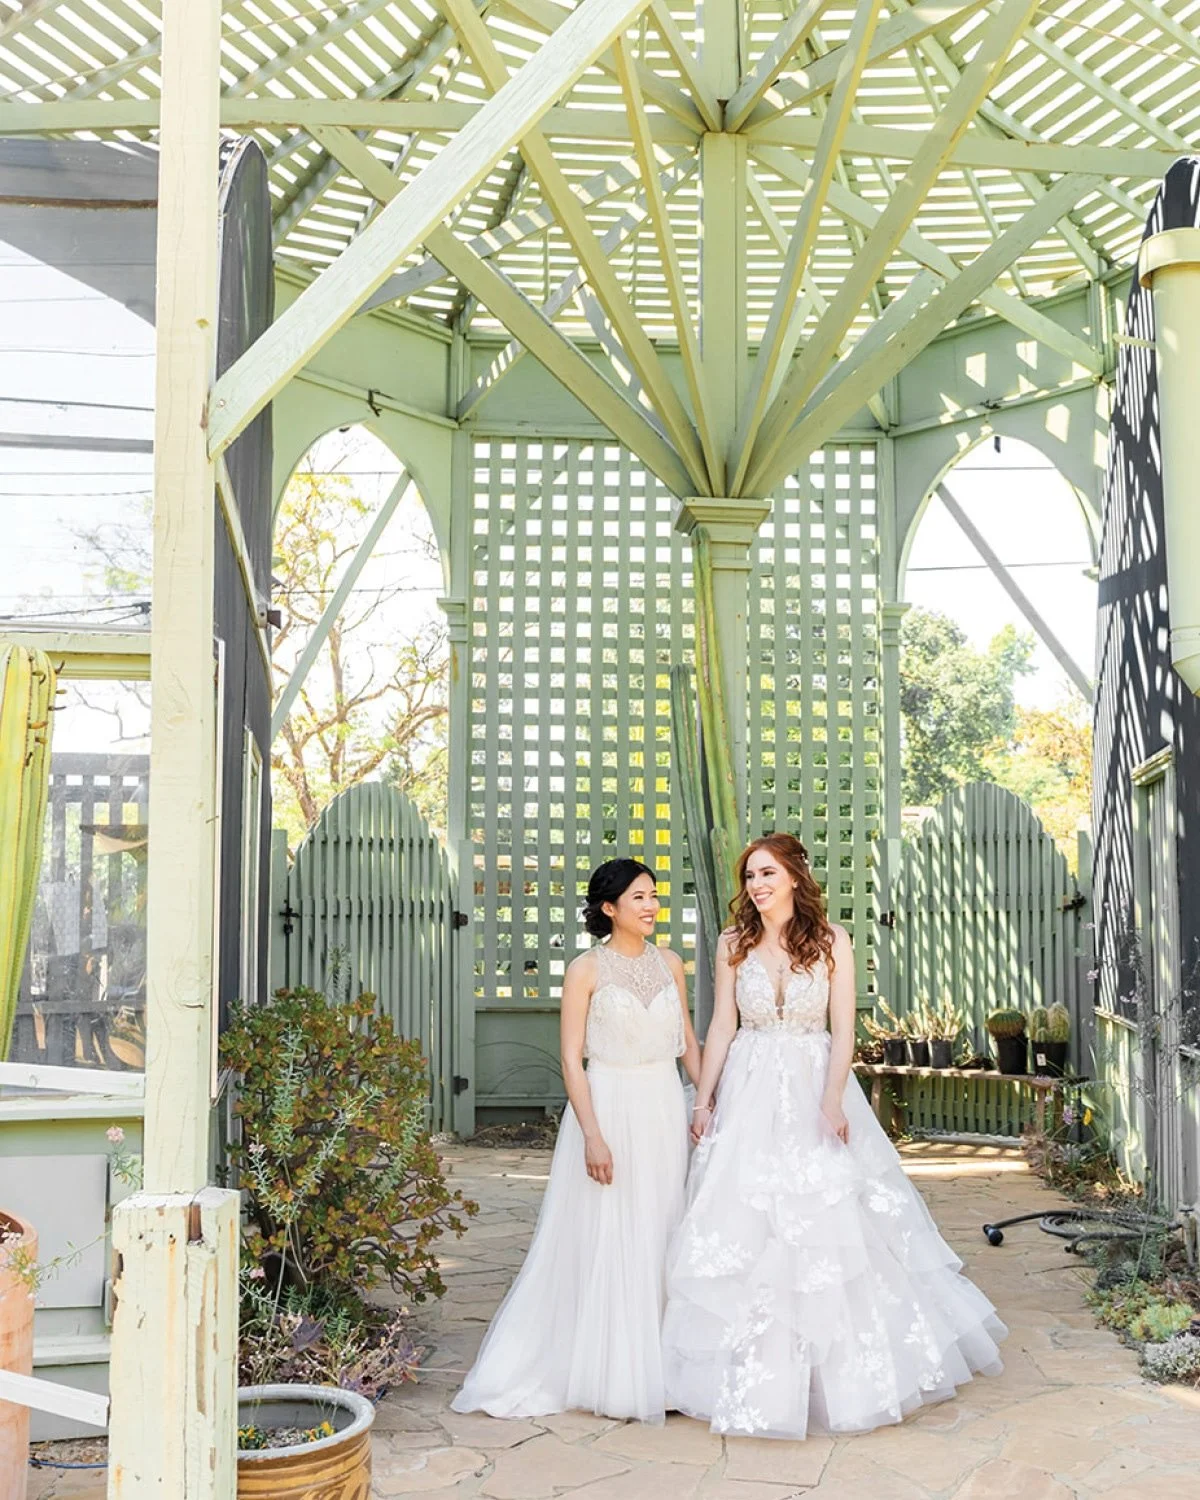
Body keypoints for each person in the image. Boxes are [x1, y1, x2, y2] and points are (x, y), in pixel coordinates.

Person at [661, 832, 1005, 1438]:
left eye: (767, 873)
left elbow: (843, 1029)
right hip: (748, 1087)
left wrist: (830, 1098)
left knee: (829, 1216)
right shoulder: (732, 943)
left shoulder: (830, 940)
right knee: (748, 1218)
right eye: (750, 877)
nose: (757, 885)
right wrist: (706, 1098)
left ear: (794, 877)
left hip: (814, 1082)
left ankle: (836, 1374)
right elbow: (722, 1025)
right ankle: (754, 1374)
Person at [453, 858, 701, 1421]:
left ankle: (662, 1368)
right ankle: (612, 1372)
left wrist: (709, 1099)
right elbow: (571, 1059)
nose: (651, 906)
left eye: (654, 895)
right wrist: (593, 1135)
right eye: (638, 897)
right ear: (609, 908)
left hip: (663, 1106)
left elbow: (687, 1041)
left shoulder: (670, 963)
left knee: (661, 1226)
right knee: (611, 1233)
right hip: (608, 1107)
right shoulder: (585, 970)